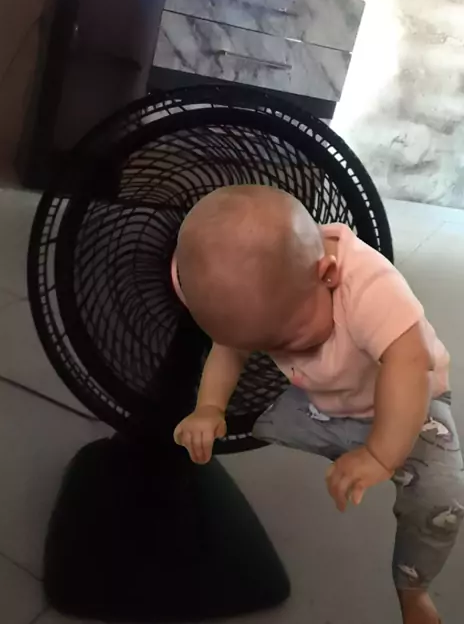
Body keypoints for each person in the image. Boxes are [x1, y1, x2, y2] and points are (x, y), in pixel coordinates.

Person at [173, 185, 463, 624]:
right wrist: (209, 408)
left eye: (289, 337)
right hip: (324, 401)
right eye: (266, 346)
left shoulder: (370, 284)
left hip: (408, 397)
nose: (285, 353)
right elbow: (228, 349)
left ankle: (414, 588)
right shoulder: (255, 295)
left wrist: (380, 455)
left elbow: (409, 362)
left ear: (326, 274)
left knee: (441, 498)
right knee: (260, 418)